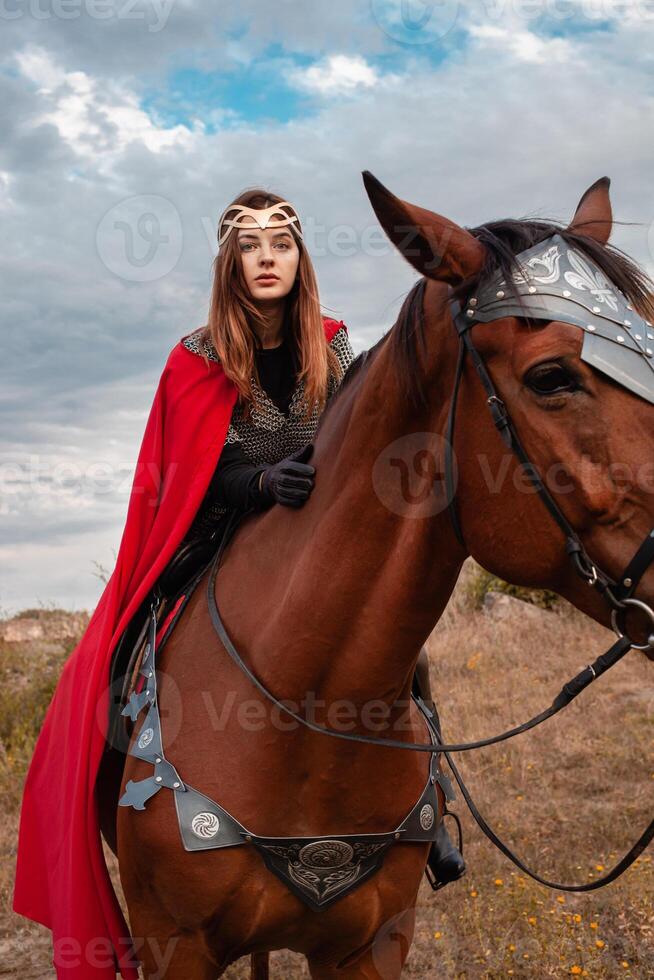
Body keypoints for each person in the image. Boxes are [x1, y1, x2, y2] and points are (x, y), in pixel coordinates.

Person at [13, 189, 462, 980]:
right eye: (249, 244)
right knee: (130, 643)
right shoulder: (196, 356)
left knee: (389, 648)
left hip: (316, 541)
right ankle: (121, 782)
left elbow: (366, 430)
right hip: (217, 536)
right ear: (231, 260)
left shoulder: (337, 347)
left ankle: (431, 804)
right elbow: (183, 469)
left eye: (280, 243)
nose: (265, 257)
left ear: (299, 259)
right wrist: (255, 485)